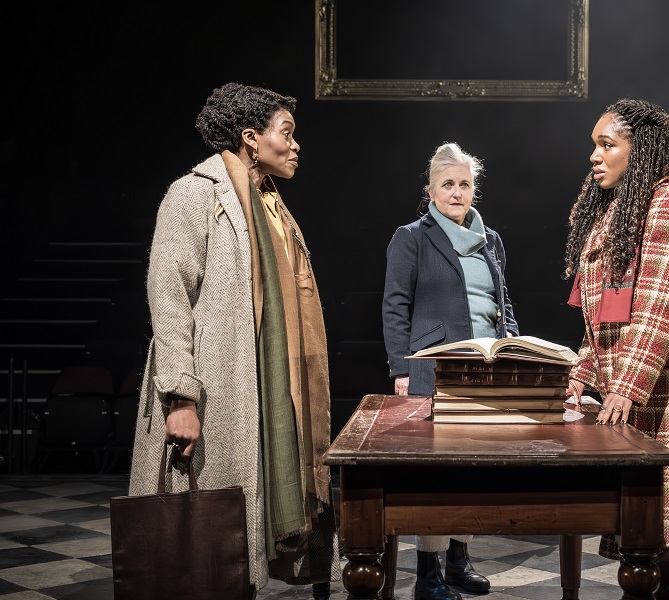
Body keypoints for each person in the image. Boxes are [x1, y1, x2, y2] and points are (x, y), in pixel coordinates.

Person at [128, 82, 340, 598]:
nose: (295, 145)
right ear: (250, 137)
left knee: (237, 546)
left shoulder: (271, 206)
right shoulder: (194, 194)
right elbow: (168, 296)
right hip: (215, 387)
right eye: (285, 132)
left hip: (264, 385)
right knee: (206, 545)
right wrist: (181, 397)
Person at [564, 98, 669, 559]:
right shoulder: (616, 212)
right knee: (638, 536)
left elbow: (660, 307)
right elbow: (600, 317)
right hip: (626, 389)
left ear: (640, 150)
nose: (594, 156)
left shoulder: (668, 206)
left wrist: (626, 387)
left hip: (665, 389)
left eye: (606, 145)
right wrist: (580, 374)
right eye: (595, 145)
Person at [382, 142, 519, 600]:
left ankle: (459, 563)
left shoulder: (490, 240)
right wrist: (401, 367)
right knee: (437, 473)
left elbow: (502, 303)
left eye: (464, 184)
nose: (456, 193)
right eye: (447, 184)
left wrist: (515, 350)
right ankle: (429, 574)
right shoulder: (412, 238)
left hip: (487, 368)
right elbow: (395, 305)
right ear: (431, 191)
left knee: (475, 469)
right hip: (436, 369)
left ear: (474, 189)